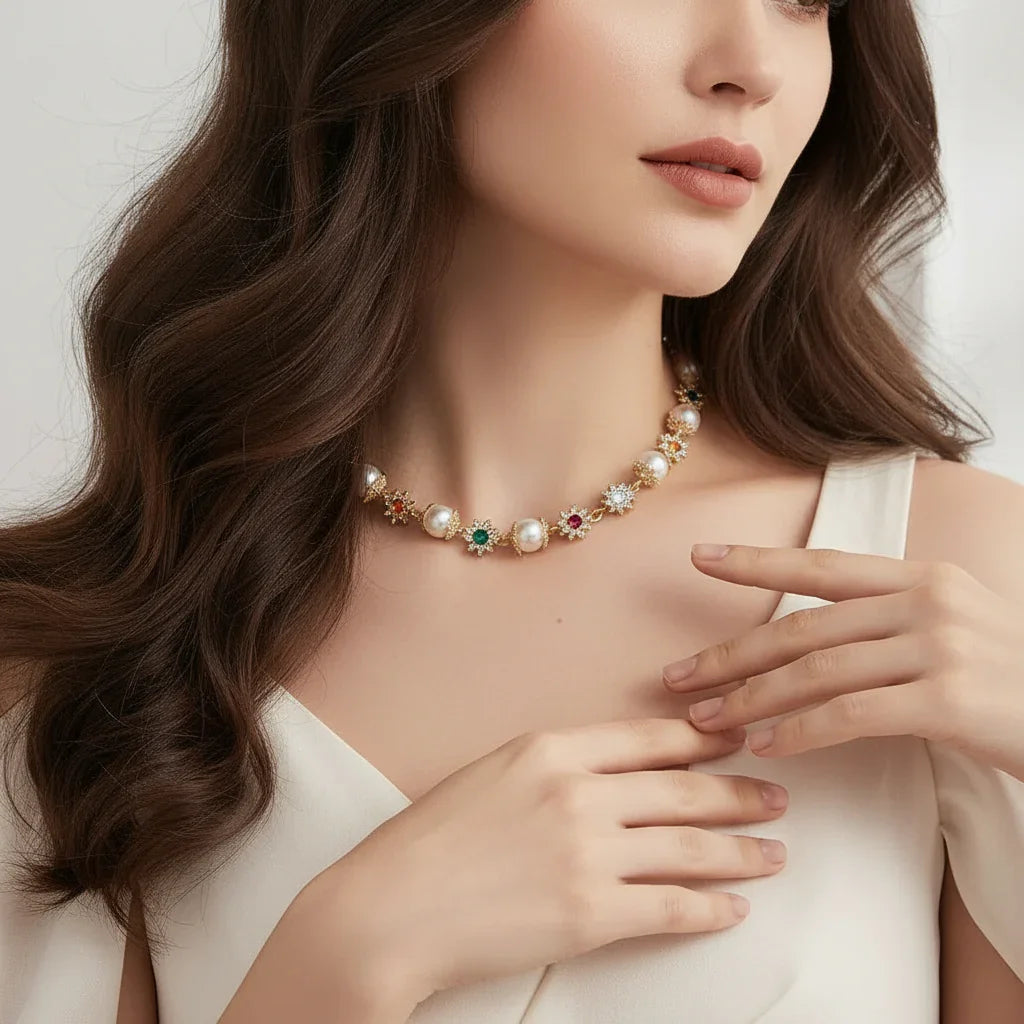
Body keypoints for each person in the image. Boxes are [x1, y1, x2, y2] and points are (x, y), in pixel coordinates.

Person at [2, 0, 1023, 1021]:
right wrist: (351, 954)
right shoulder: (83, 645)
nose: (751, 65)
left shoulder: (942, 580)